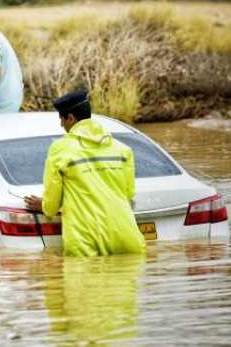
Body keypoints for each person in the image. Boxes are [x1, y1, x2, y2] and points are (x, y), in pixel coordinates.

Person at [25, 91, 146, 257]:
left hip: (85, 241)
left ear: (70, 118)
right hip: (126, 237)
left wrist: (45, 205)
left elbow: (51, 207)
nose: (61, 125)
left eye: (61, 119)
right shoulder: (123, 150)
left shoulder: (60, 149)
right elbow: (128, 195)